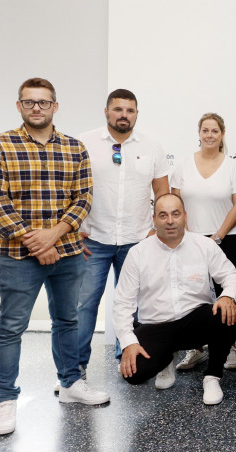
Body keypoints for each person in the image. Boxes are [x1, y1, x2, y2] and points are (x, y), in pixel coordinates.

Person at [0, 77, 110, 436]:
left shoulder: (75, 148)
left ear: (55, 106)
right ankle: (5, 400)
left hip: (67, 252)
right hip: (17, 255)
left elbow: (83, 197)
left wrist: (54, 234)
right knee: (11, 328)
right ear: (19, 106)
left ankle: (71, 384)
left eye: (43, 102)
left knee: (68, 321)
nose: (36, 107)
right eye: (29, 102)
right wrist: (35, 241)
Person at [75, 89, 170, 379]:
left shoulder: (152, 145)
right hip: (93, 239)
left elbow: (162, 192)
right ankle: (75, 369)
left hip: (138, 239)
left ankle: (134, 359)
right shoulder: (84, 143)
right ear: (106, 112)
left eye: (129, 110)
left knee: (139, 306)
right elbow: (69, 187)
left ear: (136, 114)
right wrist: (74, 228)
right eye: (117, 109)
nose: (123, 115)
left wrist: (156, 229)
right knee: (85, 306)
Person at [114, 194, 236, 405]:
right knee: (133, 374)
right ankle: (166, 359)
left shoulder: (204, 245)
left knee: (226, 312)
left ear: (185, 216)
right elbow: (122, 304)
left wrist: (227, 295)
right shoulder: (138, 253)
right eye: (163, 215)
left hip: (194, 320)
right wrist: (128, 343)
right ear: (154, 220)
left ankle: (212, 377)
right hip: (156, 325)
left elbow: (231, 276)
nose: (170, 221)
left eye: (175, 214)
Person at [171, 112, 236, 372]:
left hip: (225, 238)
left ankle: (230, 348)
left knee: (227, 293)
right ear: (199, 133)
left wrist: (218, 237)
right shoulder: (182, 165)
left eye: (215, 130)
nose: (210, 135)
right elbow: (175, 203)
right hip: (189, 238)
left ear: (222, 134)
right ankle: (197, 349)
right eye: (205, 130)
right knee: (193, 295)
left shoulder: (232, 165)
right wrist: (188, 234)